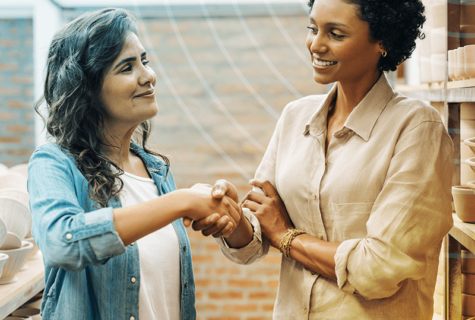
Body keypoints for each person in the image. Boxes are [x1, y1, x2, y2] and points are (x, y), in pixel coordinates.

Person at [192, 0, 454, 319]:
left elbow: (379, 267)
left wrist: (287, 237)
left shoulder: (416, 128)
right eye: (313, 28)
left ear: (382, 41)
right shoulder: (295, 117)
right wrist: (230, 216)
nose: (316, 44)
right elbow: (256, 236)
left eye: (336, 34)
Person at [27, 8, 244, 320]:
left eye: (145, 60)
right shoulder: (54, 163)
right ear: (86, 89)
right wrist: (181, 201)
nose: (148, 76)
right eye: (126, 67)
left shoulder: (156, 170)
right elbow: (62, 242)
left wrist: (223, 212)